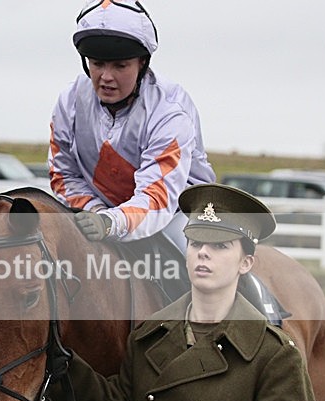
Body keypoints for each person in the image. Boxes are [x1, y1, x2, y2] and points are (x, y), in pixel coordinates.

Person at [50, 183, 322, 401]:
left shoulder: (272, 353)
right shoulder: (150, 336)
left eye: (220, 246)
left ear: (246, 262)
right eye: (196, 243)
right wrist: (61, 364)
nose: (203, 254)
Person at [49, 0, 215, 250]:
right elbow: (64, 175)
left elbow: (158, 197)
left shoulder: (170, 111)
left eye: (120, 66)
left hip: (177, 214)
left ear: (142, 63)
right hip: (100, 211)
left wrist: (110, 222)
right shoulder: (69, 101)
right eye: (97, 63)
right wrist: (96, 211)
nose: (106, 77)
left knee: (204, 263)